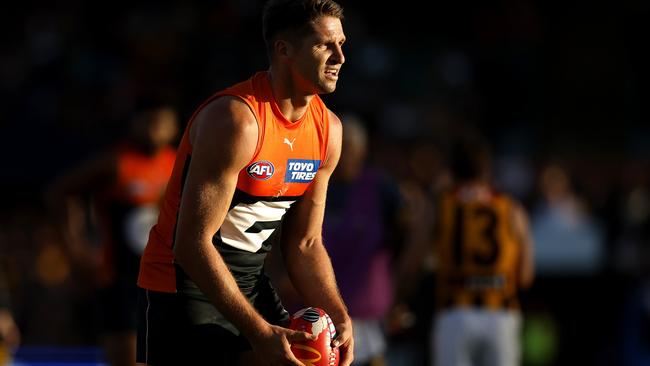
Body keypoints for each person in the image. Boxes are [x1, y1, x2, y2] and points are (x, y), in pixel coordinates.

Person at [135, 1, 353, 365]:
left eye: (342, 44)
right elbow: (190, 245)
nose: (340, 57)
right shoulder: (237, 120)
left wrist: (338, 314)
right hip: (182, 286)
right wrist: (258, 331)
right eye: (324, 45)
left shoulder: (329, 130)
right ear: (284, 50)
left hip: (250, 284)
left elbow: (305, 242)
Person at [46, 101, 179, 366]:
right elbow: (59, 192)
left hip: (166, 279)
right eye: (149, 121)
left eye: (162, 122)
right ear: (135, 123)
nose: (156, 129)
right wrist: (76, 249)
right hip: (122, 279)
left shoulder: (176, 163)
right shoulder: (116, 162)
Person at [430, 136, 534, 366]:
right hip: (501, 314)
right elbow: (525, 276)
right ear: (487, 169)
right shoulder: (511, 208)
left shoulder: (442, 205)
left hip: (454, 311)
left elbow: (414, 259)